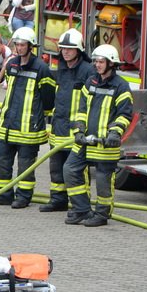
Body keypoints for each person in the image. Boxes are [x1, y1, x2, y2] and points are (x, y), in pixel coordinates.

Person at [64, 44, 134, 227]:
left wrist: (114, 133)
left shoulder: (120, 86)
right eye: (95, 61)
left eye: (101, 61)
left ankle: (102, 215)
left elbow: (125, 114)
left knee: (103, 180)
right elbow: (81, 109)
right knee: (70, 169)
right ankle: (81, 209)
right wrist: (79, 130)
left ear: (111, 63)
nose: (97, 65)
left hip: (105, 144)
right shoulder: (91, 82)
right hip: (85, 141)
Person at [0, 27, 56, 209]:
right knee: (1, 161)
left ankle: (23, 196)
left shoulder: (41, 68)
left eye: (23, 44)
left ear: (31, 46)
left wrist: (38, 117)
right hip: (8, 124)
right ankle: (3, 194)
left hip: (28, 127)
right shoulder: (11, 65)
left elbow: (48, 98)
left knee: (25, 165)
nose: (19, 47)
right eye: (17, 44)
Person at [42, 29, 95, 213]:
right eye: (63, 48)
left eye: (70, 49)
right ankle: (58, 200)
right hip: (59, 126)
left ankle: (80, 204)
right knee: (56, 167)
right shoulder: (62, 67)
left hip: (77, 130)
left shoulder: (88, 71)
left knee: (76, 170)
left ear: (79, 50)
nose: (65, 52)